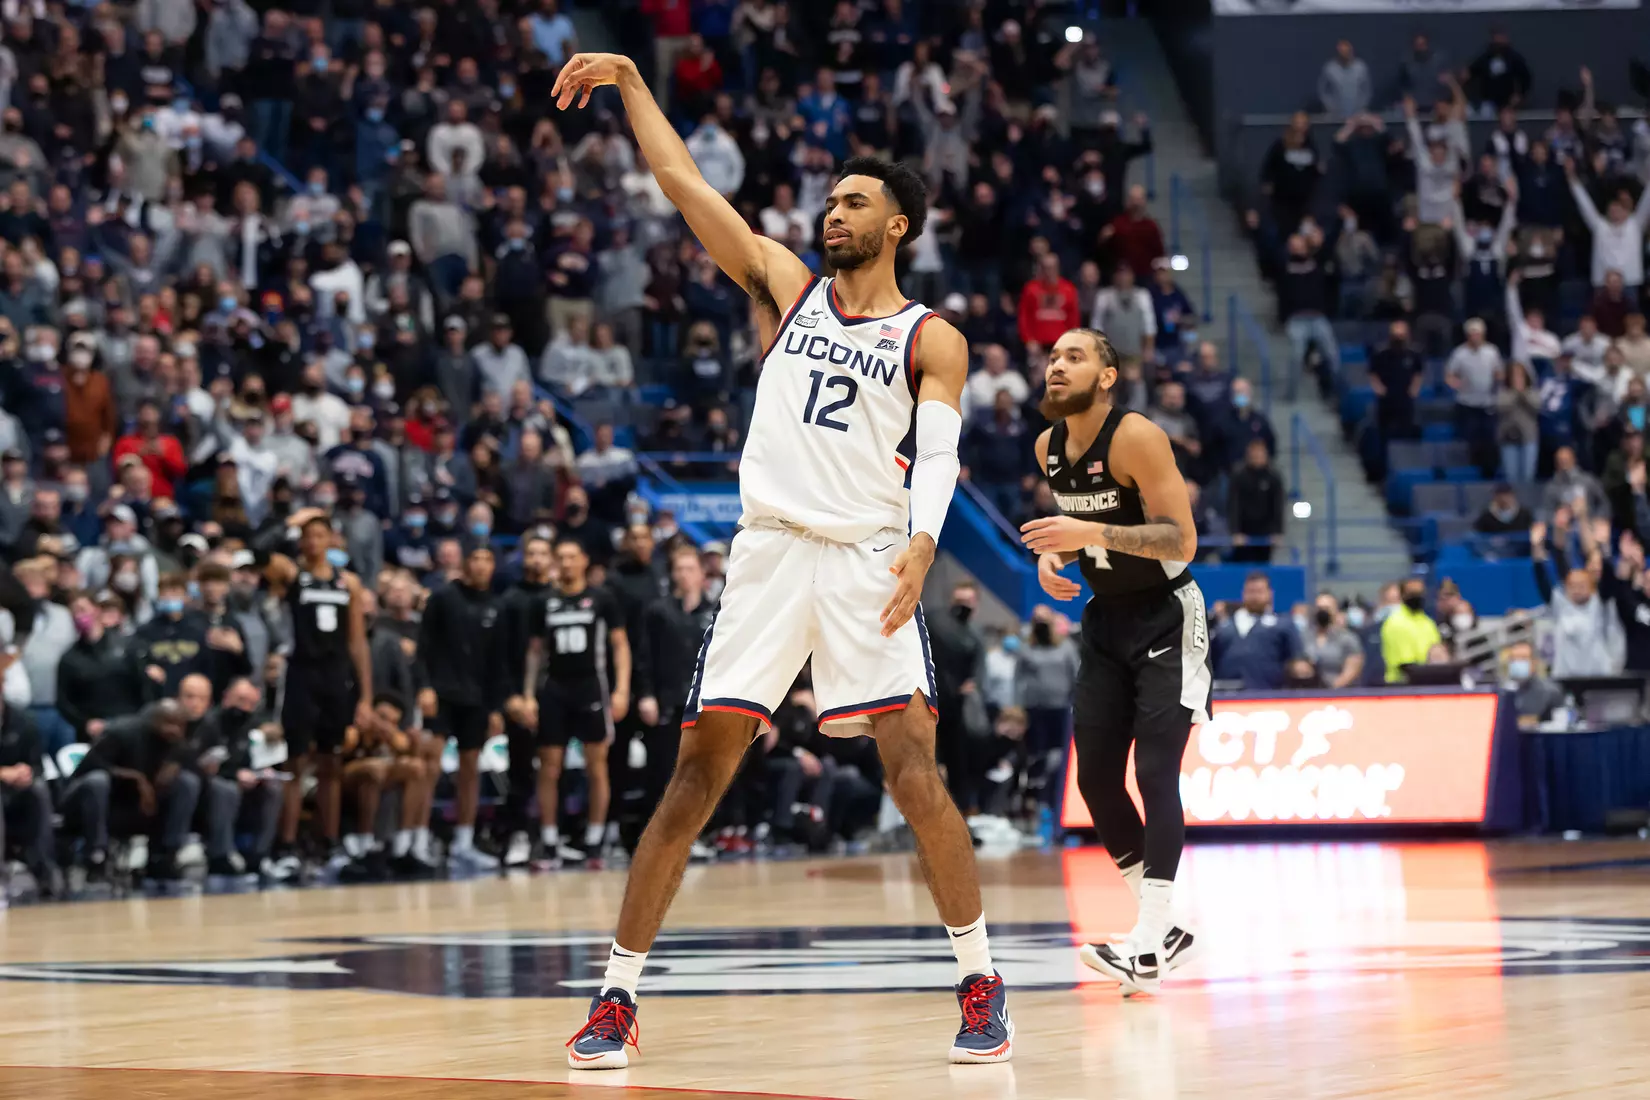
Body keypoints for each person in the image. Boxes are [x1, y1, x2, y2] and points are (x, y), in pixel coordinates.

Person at [551, 53, 1006, 1068]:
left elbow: (939, 451)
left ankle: (979, 977)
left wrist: (926, 542)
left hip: (867, 557)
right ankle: (616, 995)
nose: (830, 212)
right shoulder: (788, 287)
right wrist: (631, 83)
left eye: (853, 202)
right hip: (768, 555)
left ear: (896, 225)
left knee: (913, 772)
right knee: (694, 774)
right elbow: (683, 185)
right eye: (830, 199)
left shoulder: (932, 336)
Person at [1020, 327, 1207, 995]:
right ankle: (1168, 927)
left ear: (1107, 376)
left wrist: (1087, 533)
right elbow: (1083, 535)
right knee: (1096, 779)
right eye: (1052, 357)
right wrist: (1055, 556)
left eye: (1074, 356)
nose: (1056, 366)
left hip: (1166, 613)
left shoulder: (1137, 437)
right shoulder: (1048, 448)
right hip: (1105, 623)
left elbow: (1180, 539)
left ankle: (1151, 941)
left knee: (1155, 771)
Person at [264, 509, 375, 878]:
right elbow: (257, 551)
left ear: (332, 540)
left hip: (335, 678)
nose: (312, 541)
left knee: (331, 764)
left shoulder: (350, 584)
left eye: (319, 534)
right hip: (302, 675)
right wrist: (292, 520)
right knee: (296, 763)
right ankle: (286, 847)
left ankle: (329, 842)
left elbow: (358, 642)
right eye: (307, 535)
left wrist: (365, 696)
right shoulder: (293, 575)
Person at [522, 537, 630, 866]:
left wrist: (621, 689)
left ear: (584, 560)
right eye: (562, 558)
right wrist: (528, 695)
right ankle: (551, 840)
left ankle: (595, 838)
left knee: (596, 765)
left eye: (572, 557)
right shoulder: (545, 601)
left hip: (591, 687)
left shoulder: (601, 599)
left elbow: (620, 646)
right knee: (549, 767)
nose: (566, 563)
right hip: (554, 688)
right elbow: (535, 651)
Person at [418, 542, 507, 871]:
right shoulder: (442, 598)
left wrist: (496, 707)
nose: (481, 565)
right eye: (475, 558)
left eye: (487, 559)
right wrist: (425, 687)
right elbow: (423, 646)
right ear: (464, 563)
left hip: (477, 698)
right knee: (429, 765)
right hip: (441, 695)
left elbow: (499, 664)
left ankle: (463, 842)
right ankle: (419, 837)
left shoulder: (496, 606)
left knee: (471, 768)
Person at [1209, 572, 1300, 690]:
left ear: (1270, 594)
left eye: (1259, 591)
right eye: (1251, 592)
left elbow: (1295, 660)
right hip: (1227, 696)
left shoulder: (1283, 625)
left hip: (1270, 695)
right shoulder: (1224, 627)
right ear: (1243, 593)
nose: (1255, 596)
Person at [1380, 577, 1442, 683]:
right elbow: (1406, 665)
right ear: (1403, 595)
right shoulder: (1395, 623)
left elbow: (1437, 652)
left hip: (1428, 680)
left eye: (1420, 593)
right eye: (1412, 593)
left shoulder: (1428, 622)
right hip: (1400, 684)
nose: (1417, 597)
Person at [1300, 593, 1364, 689]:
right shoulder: (1304, 637)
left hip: (1339, 694)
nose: (1322, 612)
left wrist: (1331, 690)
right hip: (1309, 694)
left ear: (1336, 611)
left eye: (1326, 608)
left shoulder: (1347, 638)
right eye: (1319, 608)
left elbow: (1353, 669)